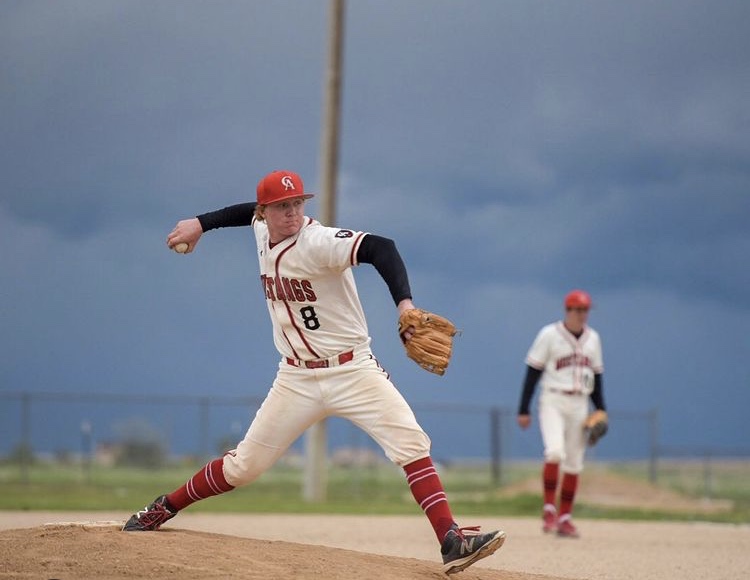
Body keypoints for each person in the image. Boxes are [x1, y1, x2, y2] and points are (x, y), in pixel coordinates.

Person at [122, 169, 506, 574]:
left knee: (411, 442)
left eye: (298, 204)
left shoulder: (318, 241)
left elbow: (382, 248)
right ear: (264, 211)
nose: (292, 213)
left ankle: (451, 540)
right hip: (295, 379)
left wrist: (405, 306)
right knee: (243, 467)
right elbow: (241, 214)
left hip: (353, 370)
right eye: (282, 206)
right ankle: (163, 507)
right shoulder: (260, 228)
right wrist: (200, 224)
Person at [516, 289, 606, 538]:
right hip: (553, 399)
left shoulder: (593, 339)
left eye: (585, 310)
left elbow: (597, 378)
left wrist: (601, 409)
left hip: (581, 402)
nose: (581, 314)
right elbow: (532, 372)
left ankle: (565, 517)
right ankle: (548, 510)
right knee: (555, 451)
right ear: (567, 310)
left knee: (574, 463)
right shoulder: (549, 335)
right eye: (577, 309)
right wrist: (523, 408)